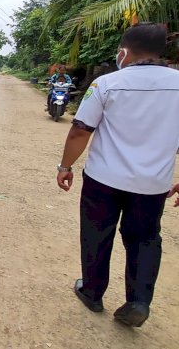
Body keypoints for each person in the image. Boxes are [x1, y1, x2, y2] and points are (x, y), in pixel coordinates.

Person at [56, 23, 179, 327]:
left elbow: (80, 130)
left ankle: (92, 291)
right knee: (146, 239)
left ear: (124, 51)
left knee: (97, 233)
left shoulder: (106, 84)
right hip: (153, 185)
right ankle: (138, 301)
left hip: (103, 180)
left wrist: (65, 167)